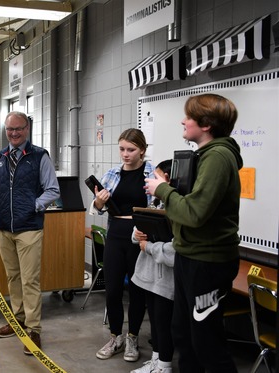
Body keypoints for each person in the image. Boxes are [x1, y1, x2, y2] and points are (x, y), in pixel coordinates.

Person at [144, 93, 242, 372]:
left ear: (207, 124)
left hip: (207, 263)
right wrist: (170, 189)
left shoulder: (219, 157)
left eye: (188, 117)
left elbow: (195, 213)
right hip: (189, 257)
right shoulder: (205, 156)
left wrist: (162, 190)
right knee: (184, 336)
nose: (183, 121)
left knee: (206, 343)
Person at [0, 111, 60, 355]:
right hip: (3, 227)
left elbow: (52, 190)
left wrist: (33, 206)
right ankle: (17, 321)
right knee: (13, 277)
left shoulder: (39, 156)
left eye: (18, 129)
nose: (14, 133)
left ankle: (34, 329)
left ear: (27, 129)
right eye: (9, 129)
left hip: (29, 228)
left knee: (30, 280)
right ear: (5, 131)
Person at [91, 128, 155, 363]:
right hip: (116, 235)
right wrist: (98, 202)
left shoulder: (151, 174)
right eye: (122, 149)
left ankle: (133, 337)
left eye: (131, 150)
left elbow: (159, 209)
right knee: (113, 289)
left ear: (142, 151)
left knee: (138, 291)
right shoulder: (111, 174)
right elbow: (97, 208)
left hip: (140, 237)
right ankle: (115, 337)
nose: (125, 154)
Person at [130, 159, 175, 373]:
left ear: (167, 179)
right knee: (155, 322)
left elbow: (174, 251)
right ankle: (156, 361)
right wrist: (137, 234)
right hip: (149, 277)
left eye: (155, 177)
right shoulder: (155, 205)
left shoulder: (177, 210)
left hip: (166, 280)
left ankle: (164, 365)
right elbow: (139, 233)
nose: (150, 181)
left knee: (164, 322)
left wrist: (148, 247)